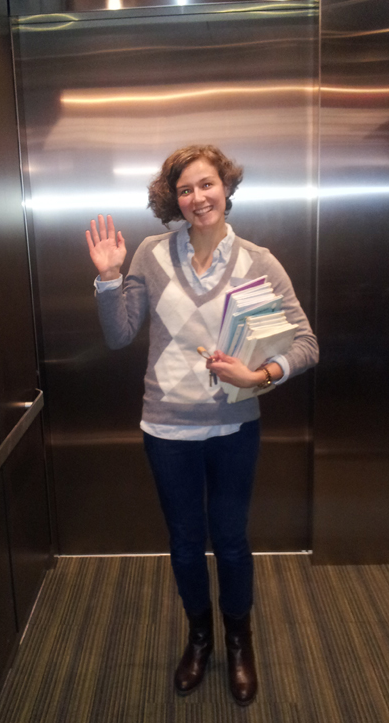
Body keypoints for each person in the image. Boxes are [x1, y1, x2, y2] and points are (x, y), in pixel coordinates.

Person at [84, 144, 318, 705]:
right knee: (186, 543)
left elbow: (307, 344)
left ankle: (240, 641)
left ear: (226, 187)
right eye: (185, 189)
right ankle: (200, 638)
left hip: (235, 428)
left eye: (206, 184)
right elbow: (119, 334)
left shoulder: (259, 261)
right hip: (166, 429)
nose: (197, 198)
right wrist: (109, 278)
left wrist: (259, 373)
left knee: (232, 541)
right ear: (173, 199)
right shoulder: (149, 254)